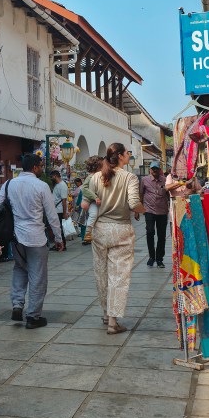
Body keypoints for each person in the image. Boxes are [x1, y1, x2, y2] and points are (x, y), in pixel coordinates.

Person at [0, 154, 63, 328]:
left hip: (16, 236)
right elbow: (52, 215)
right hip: (36, 237)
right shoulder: (41, 186)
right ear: (34, 167)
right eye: (40, 165)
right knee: (38, 275)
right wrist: (59, 237)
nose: (42, 168)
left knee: (20, 268)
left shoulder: (9, 184)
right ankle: (33, 316)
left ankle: (17, 305)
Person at [88, 143, 145, 335]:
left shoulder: (96, 177)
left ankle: (105, 313)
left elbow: (86, 204)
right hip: (121, 229)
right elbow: (133, 203)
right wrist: (146, 210)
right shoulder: (129, 177)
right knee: (118, 276)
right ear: (120, 156)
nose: (129, 155)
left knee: (101, 273)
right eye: (127, 153)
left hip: (100, 230)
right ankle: (113, 321)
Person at [139, 161, 171, 268]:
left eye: (156, 168)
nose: (155, 171)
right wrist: (137, 210)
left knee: (161, 235)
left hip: (162, 211)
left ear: (159, 169)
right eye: (153, 169)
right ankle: (151, 257)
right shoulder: (144, 180)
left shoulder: (165, 180)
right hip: (149, 211)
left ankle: (159, 259)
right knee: (150, 232)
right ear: (150, 170)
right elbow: (141, 194)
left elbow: (168, 195)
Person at [78, 156, 104, 244]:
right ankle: (88, 232)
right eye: (102, 165)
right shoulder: (91, 177)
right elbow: (84, 188)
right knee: (93, 214)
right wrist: (95, 197)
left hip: (96, 200)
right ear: (97, 167)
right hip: (91, 200)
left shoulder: (100, 176)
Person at [49, 170, 69, 250]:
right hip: (56, 209)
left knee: (59, 228)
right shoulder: (57, 185)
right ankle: (58, 243)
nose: (51, 178)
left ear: (55, 176)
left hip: (60, 210)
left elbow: (64, 200)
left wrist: (64, 213)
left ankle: (62, 244)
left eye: (51, 177)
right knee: (57, 228)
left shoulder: (62, 185)